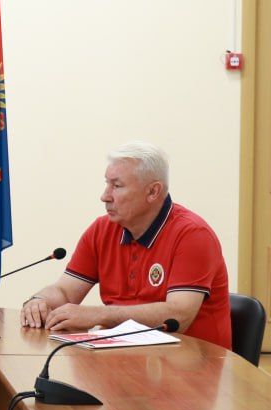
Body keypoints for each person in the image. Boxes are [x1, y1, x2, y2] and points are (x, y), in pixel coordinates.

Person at [21, 142, 231, 349]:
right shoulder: (102, 229)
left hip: (194, 363)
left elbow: (179, 315)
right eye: (107, 184)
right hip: (126, 357)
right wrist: (40, 301)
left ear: (153, 192)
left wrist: (97, 315)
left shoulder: (192, 234)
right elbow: (65, 292)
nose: (105, 196)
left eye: (117, 186)